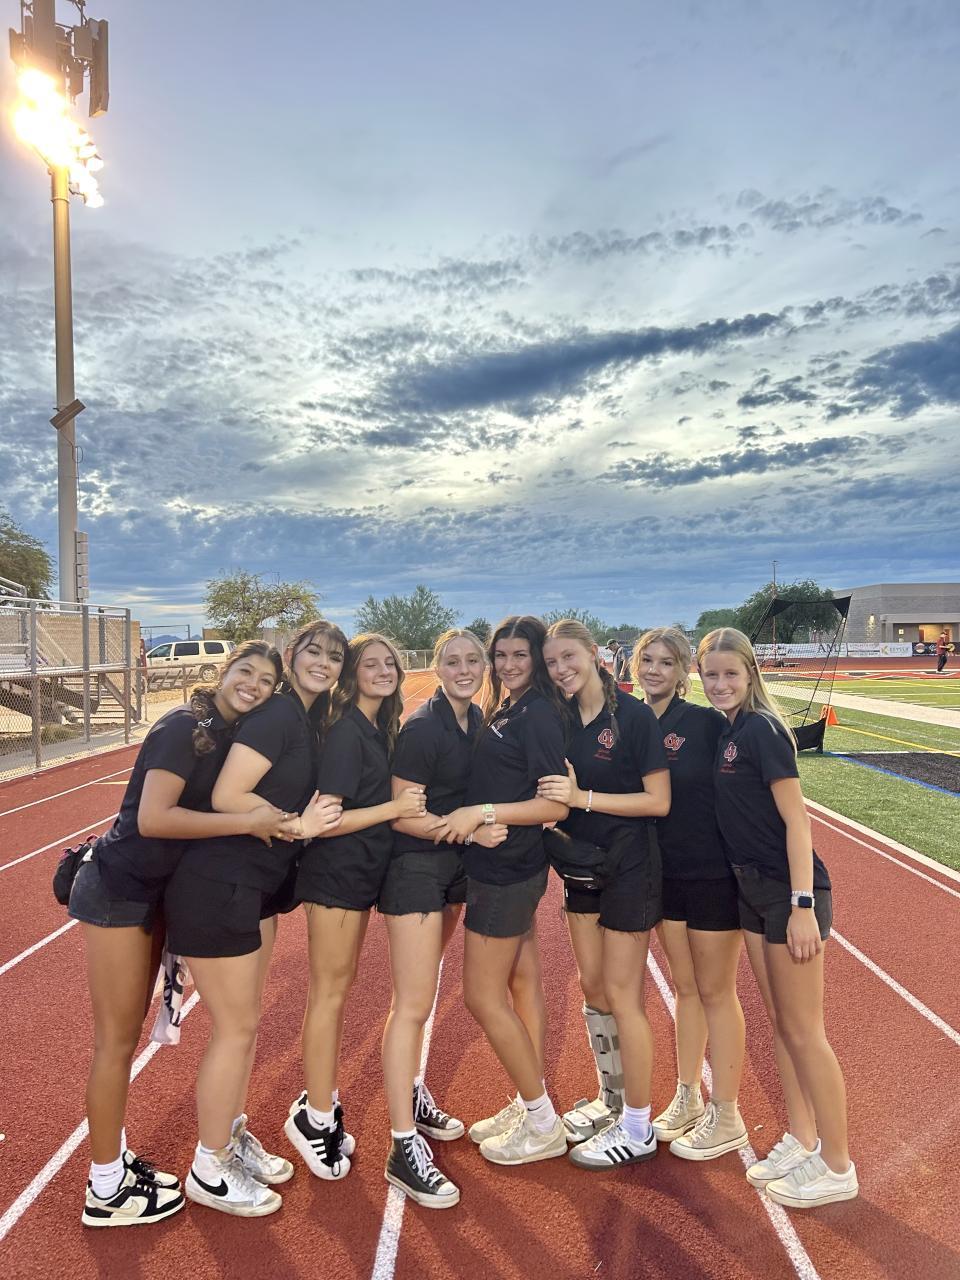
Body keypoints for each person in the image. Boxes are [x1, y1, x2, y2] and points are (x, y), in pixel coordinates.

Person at [70, 641, 293, 1227]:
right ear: (224, 671)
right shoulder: (183, 725)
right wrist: (245, 821)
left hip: (151, 896)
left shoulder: (225, 734)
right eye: (245, 671)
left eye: (266, 680)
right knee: (116, 1042)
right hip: (119, 890)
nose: (253, 684)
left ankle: (114, 1165)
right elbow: (153, 819)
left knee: (126, 1035)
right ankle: (104, 1190)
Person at [164, 622, 347, 1218]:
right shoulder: (279, 716)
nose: (323, 663)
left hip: (254, 887)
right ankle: (209, 1165)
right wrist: (297, 826)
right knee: (236, 1028)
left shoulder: (305, 718)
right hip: (220, 884)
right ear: (292, 656)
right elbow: (227, 796)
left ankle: (231, 1137)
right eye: (313, 651)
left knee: (245, 1024)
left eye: (334, 656)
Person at [698, 628, 858, 1208]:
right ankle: (803, 1136)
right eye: (711, 674)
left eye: (730, 674)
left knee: (804, 1031)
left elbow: (798, 821)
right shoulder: (729, 730)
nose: (720, 684)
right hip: (751, 889)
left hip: (787, 894)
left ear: (750, 674)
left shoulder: (763, 730)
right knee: (781, 1024)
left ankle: (838, 1165)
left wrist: (801, 905)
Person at [285, 633, 427, 1183]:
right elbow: (328, 819)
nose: (383, 671)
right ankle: (316, 1116)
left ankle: (318, 1103)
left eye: (390, 663)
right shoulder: (347, 731)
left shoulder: (375, 727)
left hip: (359, 876)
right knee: (328, 995)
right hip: (336, 877)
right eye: (370, 664)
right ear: (352, 674)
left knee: (335, 993)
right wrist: (393, 808)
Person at [538, 619, 670, 1170]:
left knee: (622, 993)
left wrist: (582, 798)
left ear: (594, 654)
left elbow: (658, 801)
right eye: (552, 662)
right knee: (592, 987)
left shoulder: (633, 717)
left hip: (630, 867)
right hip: (581, 867)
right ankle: (611, 1101)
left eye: (569, 656)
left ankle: (638, 1126)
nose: (561, 669)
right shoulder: (560, 719)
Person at [379, 628, 504, 1208]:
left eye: (473, 660)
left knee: (421, 995)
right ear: (436, 666)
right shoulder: (424, 727)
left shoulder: (477, 720)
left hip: (453, 872)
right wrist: (469, 831)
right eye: (452, 661)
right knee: (412, 1004)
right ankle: (402, 1147)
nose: (464, 669)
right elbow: (403, 816)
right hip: (414, 870)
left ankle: (410, 1091)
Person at [449, 615, 569, 1167]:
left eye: (520, 654)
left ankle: (541, 1121)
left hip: (507, 869)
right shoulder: (509, 707)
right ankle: (530, 1102)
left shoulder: (537, 713)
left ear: (537, 657)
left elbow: (553, 805)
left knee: (481, 996)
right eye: (500, 655)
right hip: (507, 865)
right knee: (523, 983)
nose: (507, 664)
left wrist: (484, 812)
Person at [630, 628, 747, 1161]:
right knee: (685, 988)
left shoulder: (706, 723)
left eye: (666, 662)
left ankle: (729, 1113)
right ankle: (688, 1094)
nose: (654, 670)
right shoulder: (629, 722)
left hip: (712, 874)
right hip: (663, 875)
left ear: (683, 673)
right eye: (647, 660)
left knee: (716, 990)